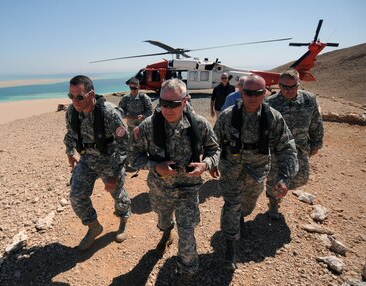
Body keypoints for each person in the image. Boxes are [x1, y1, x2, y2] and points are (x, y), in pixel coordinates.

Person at [128, 78, 220, 284]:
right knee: (163, 220)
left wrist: (205, 165)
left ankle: (187, 274)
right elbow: (133, 158)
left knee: (187, 233)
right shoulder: (147, 127)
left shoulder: (200, 124)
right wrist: (155, 166)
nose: (167, 108)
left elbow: (215, 149)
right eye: (163, 103)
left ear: (185, 101)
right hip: (160, 189)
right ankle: (166, 232)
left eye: (174, 104)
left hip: (188, 189)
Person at [212, 75, 298, 270]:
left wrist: (285, 178)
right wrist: (212, 162)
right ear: (241, 93)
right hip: (231, 169)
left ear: (264, 93)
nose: (252, 97)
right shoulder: (227, 116)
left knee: (247, 206)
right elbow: (214, 143)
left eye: (257, 93)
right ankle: (230, 248)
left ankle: (242, 216)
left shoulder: (273, 117)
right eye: (247, 92)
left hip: (257, 172)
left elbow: (287, 148)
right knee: (231, 205)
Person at [63, 75, 131, 251]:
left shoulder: (108, 113)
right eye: (71, 96)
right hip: (87, 159)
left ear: (91, 94)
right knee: (76, 195)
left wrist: (114, 174)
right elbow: (70, 134)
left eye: (79, 97)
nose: (74, 101)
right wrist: (70, 152)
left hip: (110, 161)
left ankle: (123, 220)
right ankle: (94, 227)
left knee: (118, 195)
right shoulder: (71, 112)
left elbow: (124, 144)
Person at [265, 69, 324, 219]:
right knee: (274, 180)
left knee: (300, 178)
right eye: (284, 87)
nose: (288, 90)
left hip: (300, 148)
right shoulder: (270, 103)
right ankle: (273, 202)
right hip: (277, 150)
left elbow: (316, 123)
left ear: (298, 84)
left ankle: (280, 192)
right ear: (279, 85)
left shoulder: (309, 99)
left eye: (292, 87)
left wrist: (316, 143)